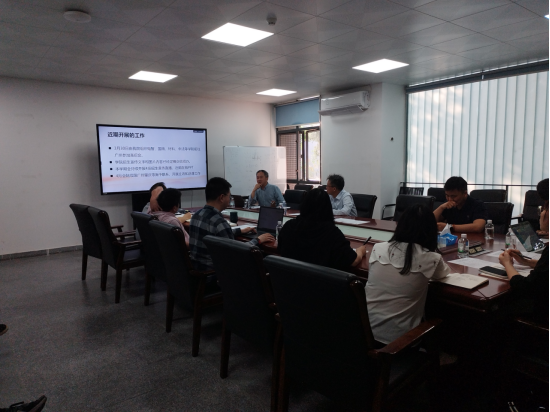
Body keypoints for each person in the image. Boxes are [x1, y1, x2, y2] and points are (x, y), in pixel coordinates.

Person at [366, 204, 450, 344]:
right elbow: (443, 274)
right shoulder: (431, 258)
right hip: (399, 343)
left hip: (364, 332)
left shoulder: (378, 248)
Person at [190, 177, 275, 271]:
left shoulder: (196, 215)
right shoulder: (219, 223)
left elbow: (216, 235)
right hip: (215, 273)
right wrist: (258, 240)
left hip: (197, 270)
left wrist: (240, 231)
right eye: (229, 196)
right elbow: (235, 253)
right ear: (221, 197)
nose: (229, 199)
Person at [277, 189, 367, 271]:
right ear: (327, 208)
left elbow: (279, 249)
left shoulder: (288, 226)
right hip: (319, 283)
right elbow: (353, 261)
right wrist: (360, 252)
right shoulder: (332, 234)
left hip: (288, 281)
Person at [499, 178, 549, 320]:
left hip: (542, 313)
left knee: (499, 307)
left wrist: (507, 264)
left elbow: (525, 288)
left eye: (544, 209)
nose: (542, 213)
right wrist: (525, 261)